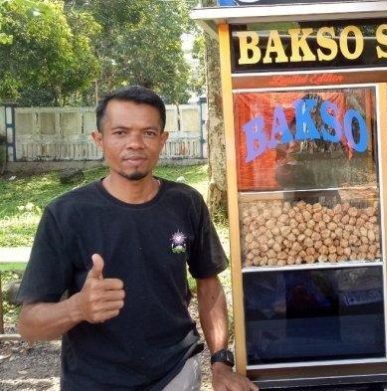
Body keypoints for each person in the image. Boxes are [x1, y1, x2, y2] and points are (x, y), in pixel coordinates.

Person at [16, 86, 258, 391]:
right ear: (99, 140)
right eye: (120, 132)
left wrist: (221, 362)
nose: (135, 143)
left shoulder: (186, 203)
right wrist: (77, 307)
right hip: (93, 381)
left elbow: (208, 285)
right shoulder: (66, 215)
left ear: (163, 140)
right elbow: (28, 324)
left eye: (148, 133)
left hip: (176, 375)